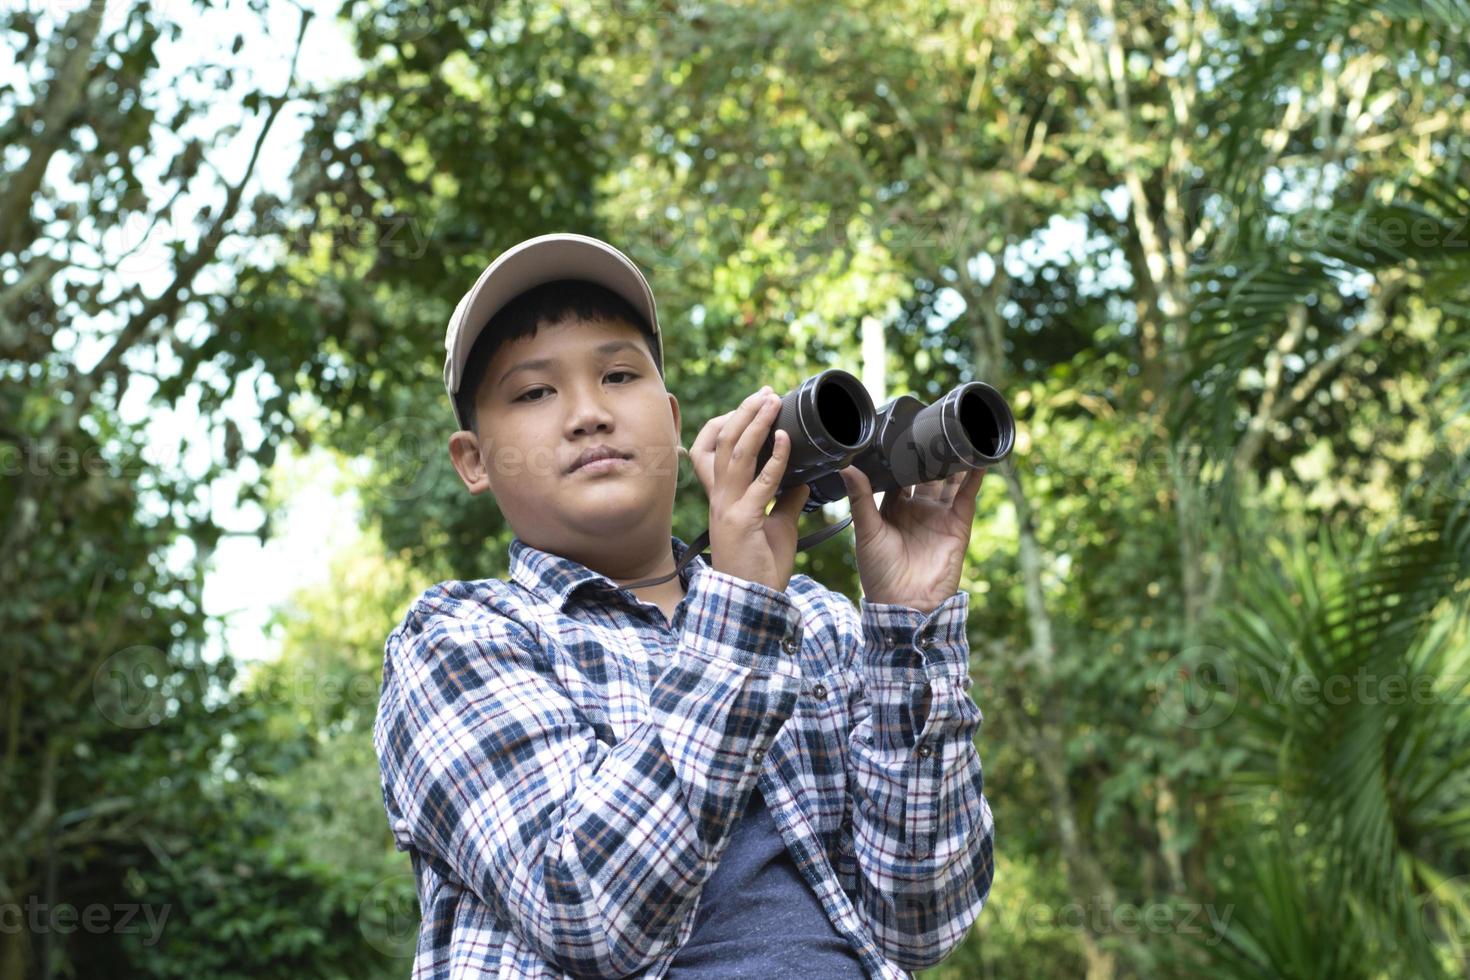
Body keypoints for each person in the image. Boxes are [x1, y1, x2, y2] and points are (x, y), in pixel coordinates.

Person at [372, 233, 995, 978]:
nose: (588, 414)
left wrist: (908, 627)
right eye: (535, 391)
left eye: (619, 375)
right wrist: (740, 612)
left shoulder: (818, 624)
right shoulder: (456, 638)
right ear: (474, 461)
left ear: (670, 418)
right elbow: (589, 912)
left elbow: (920, 920)